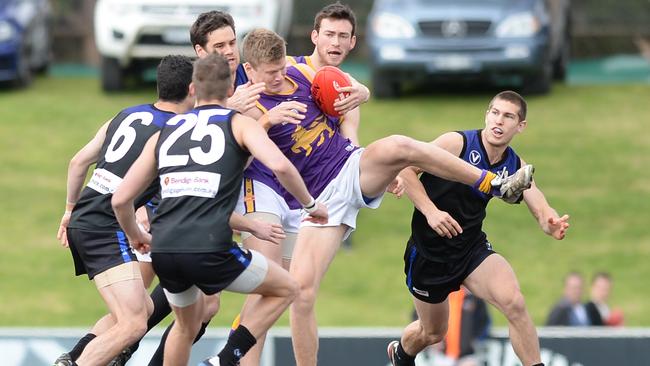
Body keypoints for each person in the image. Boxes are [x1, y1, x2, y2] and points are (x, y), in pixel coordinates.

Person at [240, 29, 536, 366]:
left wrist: (363, 92)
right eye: (270, 73)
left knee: (401, 145)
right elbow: (249, 158)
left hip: (351, 166)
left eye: (281, 68)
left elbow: (347, 84)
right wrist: (266, 120)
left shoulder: (301, 73)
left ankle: (492, 183)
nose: (279, 77)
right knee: (301, 293)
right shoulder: (248, 108)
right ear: (250, 71)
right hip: (321, 200)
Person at [111, 53, 327, 366]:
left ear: (193, 90)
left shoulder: (166, 131)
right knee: (288, 288)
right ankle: (226, 360)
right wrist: (311, 204)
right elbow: (280, 165)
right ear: (230, 91)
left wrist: (136, 234)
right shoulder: (238, 123)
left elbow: (120, 199)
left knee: (185, 328)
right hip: (208, 247)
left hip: (165, 251)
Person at [387, 90, 570, 366]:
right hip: (430, 254)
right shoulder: (456, 143)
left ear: (520, 126)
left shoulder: (514, 166)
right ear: (486, 115)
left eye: (508, 117)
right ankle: (401, 354)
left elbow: (541, 207)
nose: (499, 121)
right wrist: (431, 211)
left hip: (471, 249)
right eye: (495, 113)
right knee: (433, 332)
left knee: (515, 304)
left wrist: (551, 223)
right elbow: (405, 169)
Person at [233, 3, 370, 364]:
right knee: (268, 279)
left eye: (343, 36)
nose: (336, 42)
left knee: (291, 291)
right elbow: (232, 132)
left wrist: (364, 93)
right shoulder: (287, 69)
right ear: (314, 36)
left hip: (303, 193)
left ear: (354, 42)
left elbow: (350, 139)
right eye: (329, 34)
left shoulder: (340, 86)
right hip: (263, 182)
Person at [53, 55, 198, 366]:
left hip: (87, 217)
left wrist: (69, 209)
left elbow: (78, 162)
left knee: (140, 311)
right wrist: (137, 232)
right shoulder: (176, 134)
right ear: (192, 89)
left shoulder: (126, 114)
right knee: (134, 324)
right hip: (105, 225)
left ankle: (71, 360)